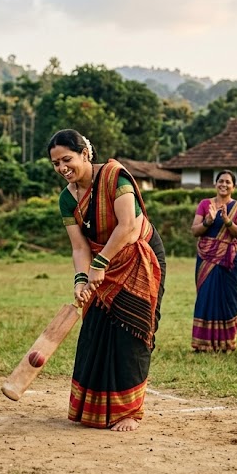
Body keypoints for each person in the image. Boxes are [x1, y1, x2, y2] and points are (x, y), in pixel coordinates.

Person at [47, 129, 165, 432]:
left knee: (131, 331)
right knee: (96, 330)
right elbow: (79, 246)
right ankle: (93, 407)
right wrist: (81, 280)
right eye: (56, 163)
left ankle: (129, 412)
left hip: (138, 256)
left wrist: (101, 264)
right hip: (101, 262)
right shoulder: (66, 199)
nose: (62, 168)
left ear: (86, 153)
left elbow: (127, 227)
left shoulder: (115, 178)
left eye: (67, 159)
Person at [190, 170, 237, 352]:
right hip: (206, 257)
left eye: (228, 182)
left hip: (229, 259)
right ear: (215, 184)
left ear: (234, 186)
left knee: (228, 299)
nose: (224, 184)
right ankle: (203, 343)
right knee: (205, 297)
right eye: (220, 181)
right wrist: (208, 221)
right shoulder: (205, 204)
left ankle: (227, 343)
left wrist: (227, 221)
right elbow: (195, 230)